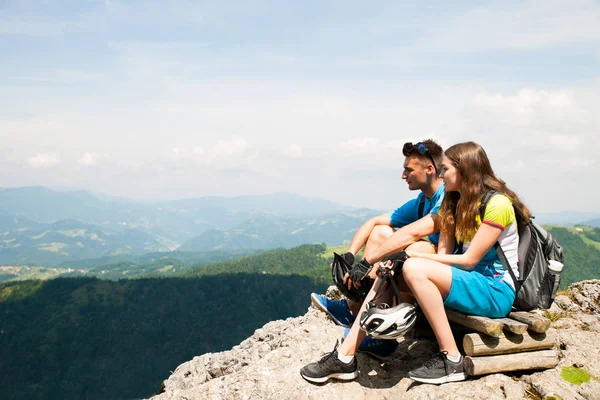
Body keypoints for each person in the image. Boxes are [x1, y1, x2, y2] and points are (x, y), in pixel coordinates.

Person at [301, 141, 530, 385]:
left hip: (494, 290)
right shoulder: (455, 202)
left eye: (447, 169)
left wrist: (410, 257)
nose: (442, 175)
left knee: (409, 265)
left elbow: (468, 259)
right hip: (467, 282)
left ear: (465, 170)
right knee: (391, 268)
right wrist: (395, 262)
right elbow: (444, 252)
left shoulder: (498, 205)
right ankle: (345, 356)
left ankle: (452, 360)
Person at [301, 139, 444, 381]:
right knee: (381, 232)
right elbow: (374, 223)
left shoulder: (446, 198)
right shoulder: (423, 200)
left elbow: (412, 233)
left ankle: (352, 339)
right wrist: (350, 254)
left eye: (408, 169)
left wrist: (367, 262)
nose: (403, 175)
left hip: (442, 275)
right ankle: (360, 311)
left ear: (429, 169)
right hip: (423, 274)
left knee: (406, 250)